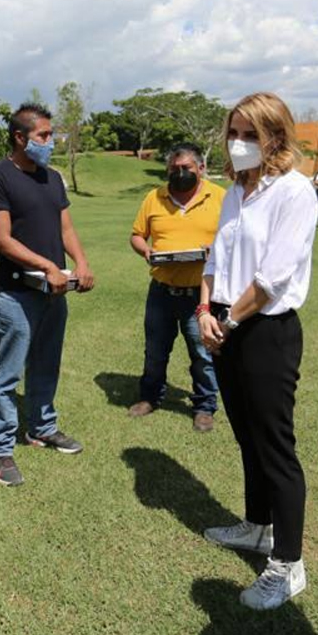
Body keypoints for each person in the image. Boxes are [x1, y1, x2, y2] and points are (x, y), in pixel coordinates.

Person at [197, 92, 318, 610]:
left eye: (251, 133)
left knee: (275, 447)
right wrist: (205, 309)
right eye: (234, 132)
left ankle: (288, 564)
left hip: (264, 330)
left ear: (276, 136)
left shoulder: (294, 192)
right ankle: (257, 526)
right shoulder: (233, 192)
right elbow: (214, 259)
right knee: (246, 435)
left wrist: (225, 319)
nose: (240, 142)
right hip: (223, 322)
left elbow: (274, 276)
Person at [0, 103, 95, 487]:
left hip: (53, 292)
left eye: (50, 134)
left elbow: (66, 228)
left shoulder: (52, 178)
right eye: (44, 135)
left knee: (47, 364)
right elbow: (2, 239)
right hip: (15, 294)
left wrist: (80, 262)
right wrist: (46, 265)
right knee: (6, 374)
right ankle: (0, 447)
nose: (50, 142)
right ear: (19, 137)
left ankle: (42, 428)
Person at [126, 143, 225, 431]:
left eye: (187, 169)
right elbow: (136, 235)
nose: (180, 173)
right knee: (155, 350)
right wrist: (145, 250)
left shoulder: (219, 197)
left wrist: (215, 250)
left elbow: (234, 239)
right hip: (162, 291)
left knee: (203, 353)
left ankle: (204, 407)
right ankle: (150, 398)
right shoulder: (154, 197)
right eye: (175, 169)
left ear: (201, 169)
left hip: (201, 293)